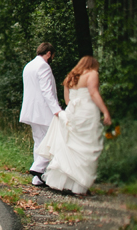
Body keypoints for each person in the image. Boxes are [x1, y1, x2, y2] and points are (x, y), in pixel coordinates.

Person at [37, 55, 111, 195]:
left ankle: (66, 184)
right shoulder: (92, 74)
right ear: (92, 65)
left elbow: (67, 100)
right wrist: (105, 112)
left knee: (71, 147)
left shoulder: (71, 77)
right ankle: (80, 186)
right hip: (87, 113)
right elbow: (94, 93)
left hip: (72, 113)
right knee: (86, 148)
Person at [19, 42, 62, 186]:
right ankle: (37, 168)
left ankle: (37, 178)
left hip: (31, 111)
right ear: (49, 53)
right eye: (52, 55)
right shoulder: (43, 66)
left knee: (39, 141)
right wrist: (56, 109)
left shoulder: (29, 65)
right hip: (43, 111)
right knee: (53, 139)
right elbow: (46, 91)